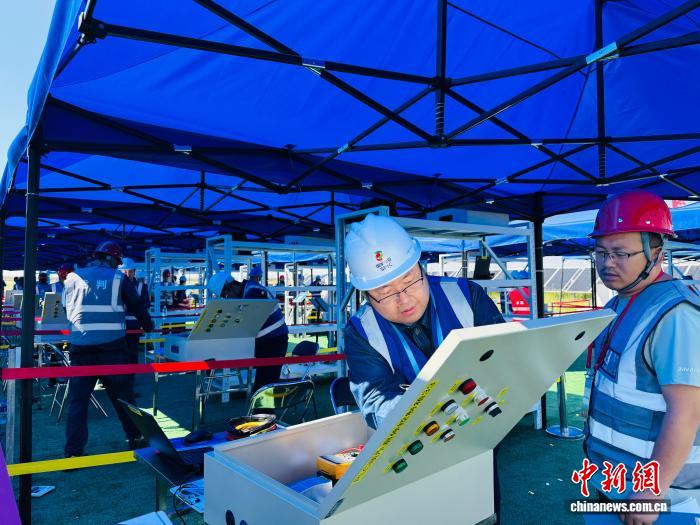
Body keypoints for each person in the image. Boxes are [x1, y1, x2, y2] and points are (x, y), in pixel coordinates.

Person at [343, 214, 505, 520]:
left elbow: (503, 359)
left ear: (421, 266)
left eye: (409, 281)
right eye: (385, 292)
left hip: (478, 438)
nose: (404, 299)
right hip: (415, 450)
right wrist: (425, 410)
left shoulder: (467, 296)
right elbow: (375, 400)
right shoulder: (361, 331)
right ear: (366, 295)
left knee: (485, 510)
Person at [583, 190, 700, 522]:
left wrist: (651, 491)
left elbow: (687, 412)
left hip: (662, 500)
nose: (607, 263)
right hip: (613, 483)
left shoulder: (676, 314)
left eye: (620, 253)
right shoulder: (618, 302)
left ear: (656, 253)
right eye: (601, 252)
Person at [63, 241, 153, 457]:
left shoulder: (73, 277)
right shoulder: (118, 278)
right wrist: (148, 325)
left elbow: (67, 308)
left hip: (80, 348)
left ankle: (73, 451)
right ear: (112, 259)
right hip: (112, 349)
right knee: (123, 397)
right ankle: (135, 437)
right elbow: (137, 305)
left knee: (78, 402)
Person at [207, 268, 289, 394]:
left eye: (226, 295)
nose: (228, 299)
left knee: (266, 382)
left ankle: (266, 406)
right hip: (266, 341)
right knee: (263, 382)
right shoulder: (246, 293)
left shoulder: (253, 291)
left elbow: (249, 322)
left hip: (274, 340)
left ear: (232, 286)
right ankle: (263, 405)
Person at [118, 258, 151, 385]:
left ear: (134, 272)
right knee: (119, 355)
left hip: (133, 327)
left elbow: (145, 304)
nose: (127, 274)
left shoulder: (141, 286)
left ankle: (130, 380)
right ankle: (120, 379)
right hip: (119, 327)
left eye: (130, 271)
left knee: (132, 354)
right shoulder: (115, 286)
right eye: (124, 272)